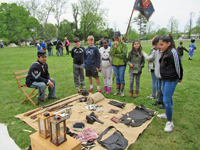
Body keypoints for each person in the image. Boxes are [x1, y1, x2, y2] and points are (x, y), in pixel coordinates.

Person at [157, 36, 183, 132]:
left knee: (166, 100)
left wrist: (180, 77)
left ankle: (170, 122)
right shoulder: (165, 52)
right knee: (167, 97)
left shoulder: (173, 52)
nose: (160, 46)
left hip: (171, 79)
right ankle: (167, 114)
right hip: (165, 78)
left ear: (168, 43)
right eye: (159, 44)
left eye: (162, 44)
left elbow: (178, 66)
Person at [109, 31, 128, 96]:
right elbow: (111, 54)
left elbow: (124, 54)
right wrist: (115, 47)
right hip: (115, 64)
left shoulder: (124, 44)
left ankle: (122, 91)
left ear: (120, 37)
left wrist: (116, 55)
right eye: (115, 37)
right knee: (117, 77)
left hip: (122, 64)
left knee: (121, 77)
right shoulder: (112, 44)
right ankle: (117, 90)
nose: (116, 39)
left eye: (117, 37)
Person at [151, 41, 165, 109]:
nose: (156, 46)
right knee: (159, 88)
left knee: (163, 89)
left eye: (158, 44)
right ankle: (160, 100)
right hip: (158, 73)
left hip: (164, 74)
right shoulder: (156, 52)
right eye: (156, 44)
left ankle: (165, 103)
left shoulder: (164, 52)